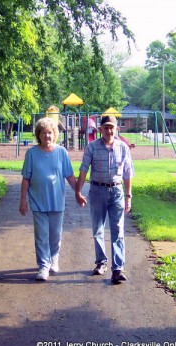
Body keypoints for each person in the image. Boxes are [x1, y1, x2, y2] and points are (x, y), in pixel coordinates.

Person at [75, 115, 134, 284]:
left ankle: (118, 269)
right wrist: (78, 191)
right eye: (106, 127)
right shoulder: (92, 147)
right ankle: (101, 262)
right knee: (98, 229)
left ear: (116, 130)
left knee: (118, 230)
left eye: (112, 127)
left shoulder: (123, 148)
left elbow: (128, 174)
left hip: (116, 191)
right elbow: (84, 170)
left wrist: (128, 196)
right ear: (100, 130)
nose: (109, 131)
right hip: (97, 190)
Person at [19, 117, 76, 281]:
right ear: (39, 135)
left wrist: (78, 193)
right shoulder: (31, 153)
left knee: (55, 235)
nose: (47, 136)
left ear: (55, 134)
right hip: (38, 201)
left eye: (50, 132)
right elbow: (26, 178)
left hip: (57, 201)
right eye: (43, 132)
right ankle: (43, 265)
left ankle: (54, 258)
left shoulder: (62, 152)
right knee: (41, 235)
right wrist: (22, 200)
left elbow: (69, 175)